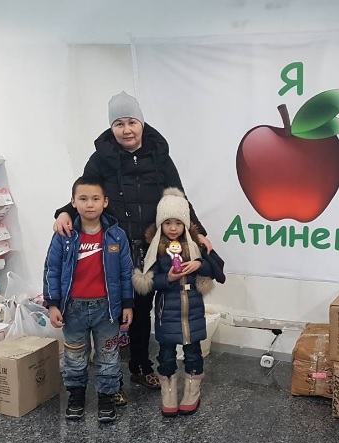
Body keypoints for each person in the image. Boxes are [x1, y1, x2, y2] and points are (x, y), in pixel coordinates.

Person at [53, 91, 212, 403]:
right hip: (114, 248)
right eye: (119, 124)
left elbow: (178, 198)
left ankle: (140, 366)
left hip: (151, 248)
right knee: (113, 311)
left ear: (141, 123)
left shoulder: (159, 155)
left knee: (141, 311)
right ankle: (110, 381)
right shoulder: (101, 158)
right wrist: (63, 212)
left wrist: (199, 232)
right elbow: (86, 193)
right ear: (111, 127)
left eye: (131, 122)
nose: (126, 130)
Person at [44, 175, 134, 422]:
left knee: (108, 357)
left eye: (95, 198)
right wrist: (53, 304)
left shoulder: (116, 236)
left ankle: (106, 398)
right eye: (83, 199)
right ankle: (76, 398)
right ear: (73, 202)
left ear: (105, 202)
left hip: (107, 310)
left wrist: (127, 304)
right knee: (74, 357)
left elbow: (126, 273)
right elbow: (52, 270)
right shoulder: (64, 236)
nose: (90, 204)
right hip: (73, 310)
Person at [132, 187, 218, 417]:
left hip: (193, 312)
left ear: (186, 225)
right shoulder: (156, 250)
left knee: (193, 353)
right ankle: (168, 393)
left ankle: (192, 392)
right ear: (160, 224)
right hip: (167, 312)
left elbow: (216, 270)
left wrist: (199, 264)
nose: (172, 228)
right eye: (167, 222)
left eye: (178, 223)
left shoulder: (195, 247)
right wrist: (168, 279)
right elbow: (148, 280)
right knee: (166, 355)